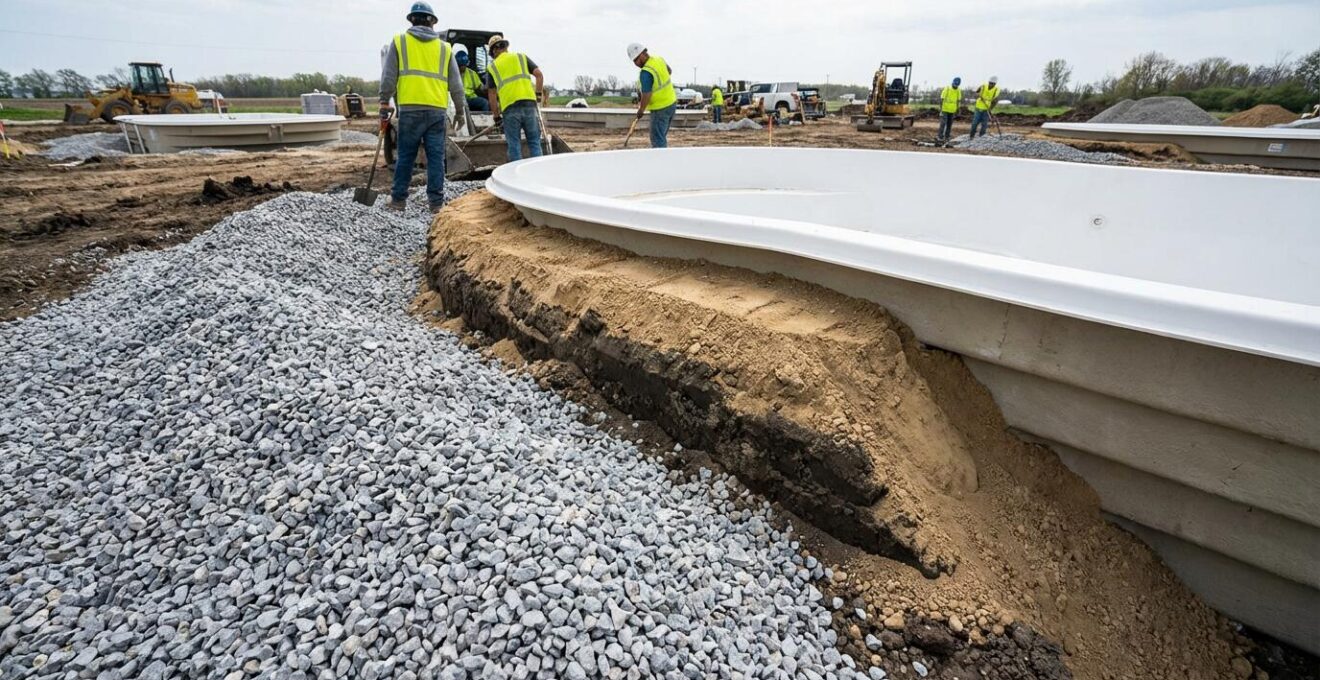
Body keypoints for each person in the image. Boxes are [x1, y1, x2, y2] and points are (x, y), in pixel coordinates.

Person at [378, 1, 468, 213]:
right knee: (436, 159)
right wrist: (460, 111)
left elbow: (389, 76)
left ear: (411, 20)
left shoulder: (400, 42)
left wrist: (384, 101)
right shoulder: (445, 48)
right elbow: (456, 85)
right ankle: (436, 203)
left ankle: (398, 200)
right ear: (433, 23)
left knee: (406, 156)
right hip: (436, 111)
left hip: (410, 109)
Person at [484, 34, 545, 161]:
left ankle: (515, 172)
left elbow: (492, 94)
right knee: (534, 141)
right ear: (506, 47)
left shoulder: (492, 67)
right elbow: (539, 75)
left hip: (510, 108)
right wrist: (538, 97)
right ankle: (538, 170)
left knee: (514, 145)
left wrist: (496, 117)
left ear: (493, 51)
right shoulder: (521, 57)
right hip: (529, 104)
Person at [627, 43, 676, 148]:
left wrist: (641, 110)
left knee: (657, 138)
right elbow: (669, 71)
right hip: (671, 103)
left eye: (636, 60)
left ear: (642, 54)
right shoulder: (659, 59)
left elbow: (647, 94)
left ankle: (660, 157)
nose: (635, 64)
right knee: (661, 135)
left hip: (660, 109)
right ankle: (663, 153)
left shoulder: (646, 72)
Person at [937, 77, 961, 144]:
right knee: (943, 123)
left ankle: (947, 137)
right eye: (955, 84)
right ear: (952, 83)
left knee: (949, 124)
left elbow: (958, 101)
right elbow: (941, 99)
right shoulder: (947, 88)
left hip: (952, 111)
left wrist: (958, 110)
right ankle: (940, 137)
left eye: (957, 85)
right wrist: (941, 110)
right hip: (944, 109)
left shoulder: (958, 90)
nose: (955, 86)